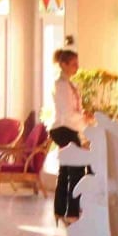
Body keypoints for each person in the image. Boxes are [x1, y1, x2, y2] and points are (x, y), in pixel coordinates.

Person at [50, 47, 92, 221]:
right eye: (73, 64)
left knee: (66, 170)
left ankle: (60, 210)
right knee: (76, 171)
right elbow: (67, 113)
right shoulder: (61, 85)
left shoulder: (69, 84)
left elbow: (73, 111)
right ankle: (72, 213)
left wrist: (83, 118)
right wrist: (85, 119)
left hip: (67, 129)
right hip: (64, 129)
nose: (77, 67)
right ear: (63, 64)